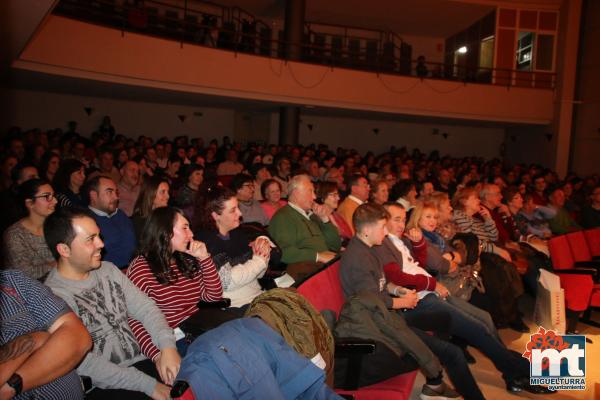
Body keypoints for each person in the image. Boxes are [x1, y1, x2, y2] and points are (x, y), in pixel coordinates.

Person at [375, 202, 551, 396]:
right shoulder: (383, 243)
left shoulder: (400, 239)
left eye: (403, 219)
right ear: (383, 221)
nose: (402, 224)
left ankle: (516, 374)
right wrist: (433, 281)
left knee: (483, 320)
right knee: (479, 330)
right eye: (396, 220)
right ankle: (524, 372)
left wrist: (419, 245)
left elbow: (423, 263)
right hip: (423, 299)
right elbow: (419, 270)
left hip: (433, 293)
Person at [339, 203, 471, 400]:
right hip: (374, 322)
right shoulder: (359, 259)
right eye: (382, 226)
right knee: (449, 352)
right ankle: (437, 383)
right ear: (367, 230)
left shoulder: (368, 248)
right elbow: (371, 301)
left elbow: (382, 284)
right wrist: (403, 302)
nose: (386, 231)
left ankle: (434, 384)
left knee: (444, 323)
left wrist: (399, 290)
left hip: (385, 312)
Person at [43, 207, 178, 400]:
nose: (101, 244)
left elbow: (146, 308)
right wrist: (147, 384)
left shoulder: (108, 270)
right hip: (105, 384)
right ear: (64, 250)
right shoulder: (53, 296)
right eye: (90, 239)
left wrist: (167, 348)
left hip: (145, 362)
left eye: (98, 235)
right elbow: (83, 362)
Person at [127, 207, 223, 357]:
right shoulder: (141, 268)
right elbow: (134, 321)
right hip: (175, 340)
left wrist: (204, 259)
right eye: (184, 228)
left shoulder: (183, 258)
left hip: (200, 327)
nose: (191, 234)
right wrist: (158, 356)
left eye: (190, 228)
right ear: (165, 231)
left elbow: (213, 297)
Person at [0, 269, 92, 400]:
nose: (100, 246)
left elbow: (79, 338)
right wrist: (35, 340)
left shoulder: (12, 281)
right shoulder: (58, 285)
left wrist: (12, 385)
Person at [194, 186, 274, 308]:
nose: (240, 213)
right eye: (233, 210)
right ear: (216, 216)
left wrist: (262, 247)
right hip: (236, 306)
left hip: (257, 297)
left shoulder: (236, 233)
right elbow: (227, 282)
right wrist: (260, 259)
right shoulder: (205, 243)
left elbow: (259, 274)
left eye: (238, 207)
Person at [268, 174, 342, 264]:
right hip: (309, 271)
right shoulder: (282, 217)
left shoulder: (313, 215)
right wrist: (317, 256)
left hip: (328, 264)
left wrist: (325, 219)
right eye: (310, 191)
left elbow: (335, 245)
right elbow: (282, 252)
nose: (314, 197)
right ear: (296, 193)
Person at [3, 178, 57, 279]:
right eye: (47, 196)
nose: (55, 201)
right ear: (29, 203)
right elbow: (24, 274)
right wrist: (60, 263)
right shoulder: (14, 235)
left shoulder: (57, 224)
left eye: (53, 195)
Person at [83, 176, 136, 269]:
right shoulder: (85, 221)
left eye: (116, 192)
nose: (116, 197)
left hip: (134, 268)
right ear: (94, 195)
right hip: (110, 275)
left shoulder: (120, 214)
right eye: (109, 192)